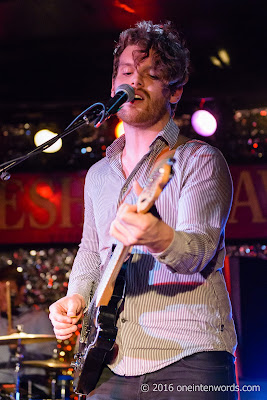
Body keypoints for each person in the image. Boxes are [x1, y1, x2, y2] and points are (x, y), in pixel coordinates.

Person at [49, 21, 237, 399]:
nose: (134, 83)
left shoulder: (198, 159)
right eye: (127, 72)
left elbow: (200, 251)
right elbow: (91, 251)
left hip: (188, 355)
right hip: (111, 358)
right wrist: (75, 298)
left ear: (175, 91)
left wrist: (157, 236)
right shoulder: (98, 174)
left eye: (151, 76)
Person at [0, 265, 57, 398]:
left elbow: (49, 351)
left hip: (31, 387)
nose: (2, 297)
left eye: (8, 291)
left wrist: (20, 347)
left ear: (21, 290)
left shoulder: (38, 317)